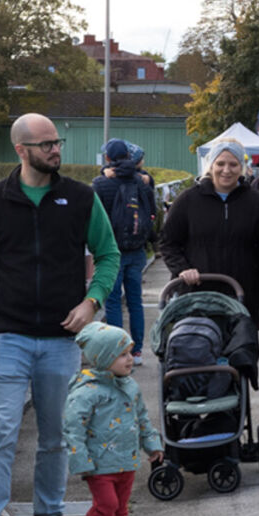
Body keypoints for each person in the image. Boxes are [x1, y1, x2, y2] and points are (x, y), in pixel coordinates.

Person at [0, 114, 121, 516]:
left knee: (55, 436)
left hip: (60, 338)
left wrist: (92, 302)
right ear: (21, 150)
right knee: (0, 433)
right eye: (45, 144)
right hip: (6, 334)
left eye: (57, 142)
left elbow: (108, 255)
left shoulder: (82, 198)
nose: (55, 150)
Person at [63, 322, 162, 516]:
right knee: (107, 507)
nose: (130, 359)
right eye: (122, 354)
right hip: (99, 464)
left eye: (130, 353)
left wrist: (152, 445)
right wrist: (80, 460)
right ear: (103, 357)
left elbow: (142, 418)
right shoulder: (86, 392)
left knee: (120, 511)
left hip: (127, 461)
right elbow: (73, 428)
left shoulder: (130, 386)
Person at [159, 139, 259, 329]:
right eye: (220, 163)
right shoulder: (188, 200)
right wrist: (182, 268)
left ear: (242, 167)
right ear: (210, 165)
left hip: (244, 296)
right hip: (197, 297)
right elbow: (168, 242)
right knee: (199, 353)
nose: (226, 170)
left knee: (241, 355)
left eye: (233, 164)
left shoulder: (257, 203)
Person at [93, 138, 158, 365]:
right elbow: (152, 211)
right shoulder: (141, 182)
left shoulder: (101, 184)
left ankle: (119, 353)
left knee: (112, 302)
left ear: (108, 158)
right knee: (134, 301)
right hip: (137, 249)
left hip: (112, 252)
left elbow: (96, 220)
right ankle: (137, 351)